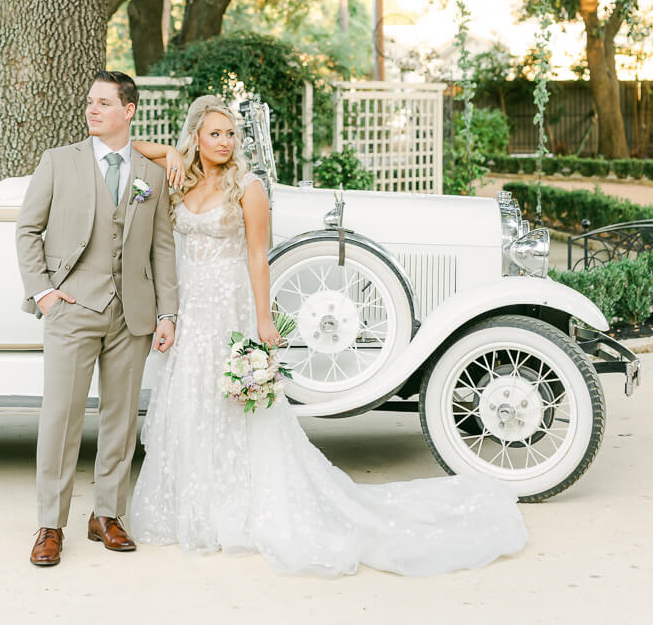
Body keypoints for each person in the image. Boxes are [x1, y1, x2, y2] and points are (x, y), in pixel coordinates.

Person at [129, 95, 528, 577]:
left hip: (228, 307)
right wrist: (168, 154)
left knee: (234, 405)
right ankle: (190, 505)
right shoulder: (182, 179)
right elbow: (123, 146)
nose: (225, 142)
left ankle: (235, 506)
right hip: (189, 307)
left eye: (231, 134)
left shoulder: (247, 188)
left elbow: (258, 258)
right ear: (195, 136)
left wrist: (263, 321)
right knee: (189, 400)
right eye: (214, 133)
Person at [16, 70, 181, 568]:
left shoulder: (150, 177)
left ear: (128, 111)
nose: (92, 110)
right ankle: (50, 524)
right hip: (71, 310)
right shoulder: (58, 162)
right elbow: (28, 230)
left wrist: (167, 312)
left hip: (132, 315)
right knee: (60, 420)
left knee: (121, 420)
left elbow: (162, 250)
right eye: (90, 102)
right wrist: (43, 294)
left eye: (104, 103)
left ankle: (107, 515)